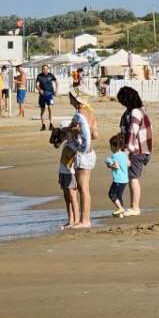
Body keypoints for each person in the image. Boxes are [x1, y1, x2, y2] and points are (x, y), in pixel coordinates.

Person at [117, 87, 152, 216]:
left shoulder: (135, 112)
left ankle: (135, 207)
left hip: (137, 150)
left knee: (133, 178)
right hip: (143, 149)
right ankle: (133, 206)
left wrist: (127, 152)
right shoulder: (141, 110)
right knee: (132, 177)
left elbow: (133, 132)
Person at [66, 91, 96, 228]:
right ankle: (84, 219)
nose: (69, 99)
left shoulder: (81, 114)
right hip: (90, 153)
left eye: (71, 97)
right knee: (85, 188)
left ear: (76, 99)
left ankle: (85, 221)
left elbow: (80, 131)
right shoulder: (90, 112)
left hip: (83, 154)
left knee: (83, 188)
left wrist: (71, 131)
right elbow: (95, 134)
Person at [49, 125, 79, 228]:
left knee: (72, 196)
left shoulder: (75, 144)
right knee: (67, 197)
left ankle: (76, 220)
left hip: (71, 173)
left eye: (65, 133)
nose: (64, 135)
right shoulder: (67, 143)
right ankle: (70, 219)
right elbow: (55, 144)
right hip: (63, 172)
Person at [105, 133, 130, 218]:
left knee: (111, 194)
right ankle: (121, 213)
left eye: (111, 146)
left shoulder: (114, 156)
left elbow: (116, 166)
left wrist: (109, 164)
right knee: (119, 196)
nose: (110, 148)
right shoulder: (124, 154)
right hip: (125, 180)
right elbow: (128, 164)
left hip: (118, 180)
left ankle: (120, 208)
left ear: (115, 147)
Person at [36, 64, 58, 130]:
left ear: (48, 69)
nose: (44, 70)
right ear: (42, 69)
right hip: (42, 95)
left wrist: (56, 91)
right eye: (43, 69)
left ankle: (51, 124)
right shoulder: (39, 76)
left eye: (46, 69)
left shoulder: (51, 75)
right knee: (42, 111)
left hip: (49, 94)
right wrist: (40, 90)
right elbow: (36, 85)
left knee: (50, 109)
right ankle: (43, 125)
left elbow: (57, 82)